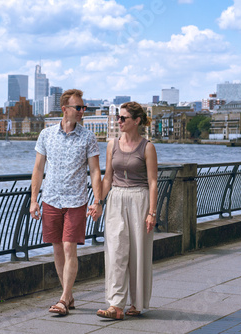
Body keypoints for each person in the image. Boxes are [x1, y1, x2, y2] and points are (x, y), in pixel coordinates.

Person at [30, 88, 103, 316]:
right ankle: (68, 296)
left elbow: (94, 171)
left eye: (84, 108)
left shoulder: (88, 137)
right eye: (78, 107)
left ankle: (62, 299)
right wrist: (34, 200)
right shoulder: (46, 135)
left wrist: (97, 200)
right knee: (58, 249)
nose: (83, 111)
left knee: (70, 247)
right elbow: (38, 169)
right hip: (50, 199)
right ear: (65, 109)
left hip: (76, 201)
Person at [96, 101, 158, 320]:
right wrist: (97, 202)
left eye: (124, 118)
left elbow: (152, 182)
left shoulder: (147, 147)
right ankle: (115, 305)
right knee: (115, 252)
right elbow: (107, 177)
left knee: (138, 254)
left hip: (139, 199)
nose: (119, 121)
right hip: (115, 198)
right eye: (118, 118)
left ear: (137, 121)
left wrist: (152, 212)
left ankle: (137, 303)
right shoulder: (112, 144)